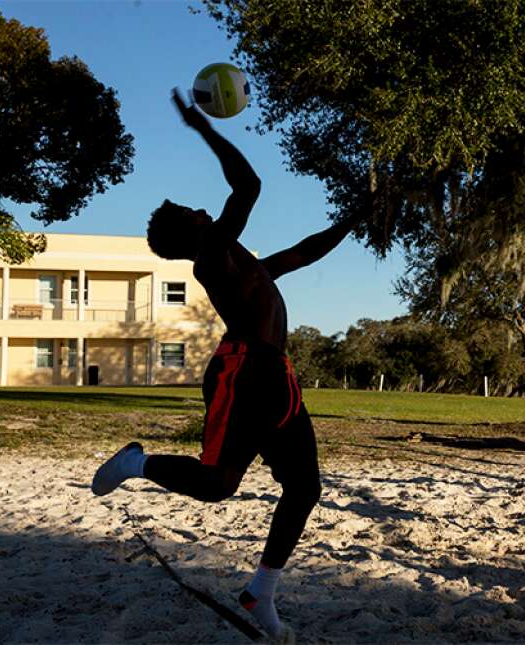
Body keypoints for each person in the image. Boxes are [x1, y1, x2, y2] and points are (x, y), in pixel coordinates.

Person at [92, 89, 360, 641]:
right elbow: (249, 186)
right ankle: (137, 463)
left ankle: (261, 592)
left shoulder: (243, 261)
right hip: (241, 371)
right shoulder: (212, 253)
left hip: (277, 376)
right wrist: (202, 129)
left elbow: (303, 253)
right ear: (190, 230)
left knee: (303, 488)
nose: (202, 208)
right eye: (193, 211)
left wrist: (353, 219)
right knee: (218, 485)